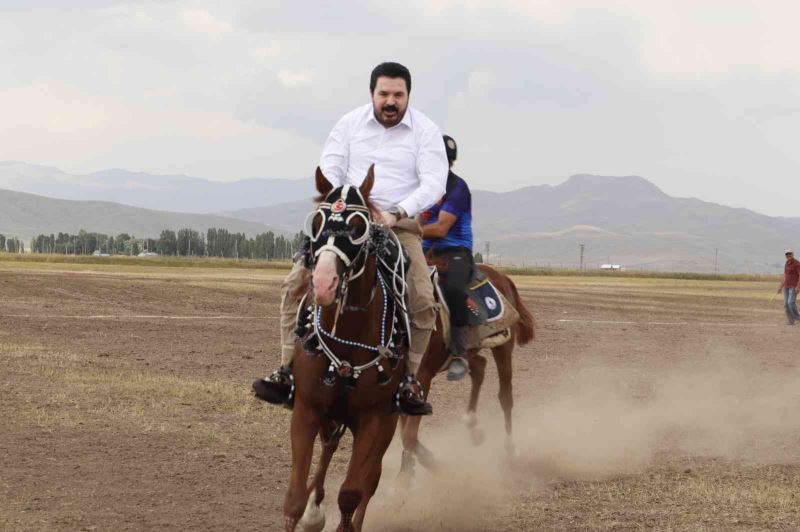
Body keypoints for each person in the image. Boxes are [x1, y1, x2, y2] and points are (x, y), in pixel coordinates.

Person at [253, 62, 448, 415]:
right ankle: (285, 371)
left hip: (397, 224)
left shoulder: (426, 130)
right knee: (295, 283)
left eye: (398, 95)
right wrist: (349, 205)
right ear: (372, 93)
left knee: (421, 297)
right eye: (384, 94)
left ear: (408, 96)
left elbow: (435, 182)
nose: (391, 101)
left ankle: (410, 381)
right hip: (345, 221)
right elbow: (330, 168)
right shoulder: (349, 124)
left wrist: (396, 213)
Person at [420, 135, 474, 381]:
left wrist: (403, 226)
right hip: (422, 250)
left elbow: (441, 228)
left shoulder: (457, 188)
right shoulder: (418, 186)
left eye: (446, 160)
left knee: (453, 289)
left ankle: (459, 354)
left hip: (455, 252)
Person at [776, 248, 800, 325]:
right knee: (786, 304)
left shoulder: (797, 264)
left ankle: (798, 318)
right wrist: (780, 287)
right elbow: (785, 276)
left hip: (793, 286)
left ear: (793, 254)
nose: (788, 255)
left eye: (789, 254)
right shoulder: (787, 263)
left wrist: (798, 286)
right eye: (787, 254)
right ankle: (791, 320)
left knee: (791, 303)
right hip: (786, 286)